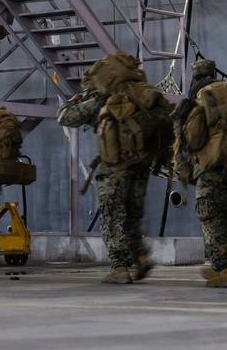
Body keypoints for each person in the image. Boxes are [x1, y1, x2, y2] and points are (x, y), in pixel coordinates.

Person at [56, 58, 154, 285]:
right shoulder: (139, 98)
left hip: (114, 169)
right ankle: (140, 255)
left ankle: (119, 268)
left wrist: (72, 102)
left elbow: (65, 118)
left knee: (112, 217)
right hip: (140, 166)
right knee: (131, 216)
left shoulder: (100, 102)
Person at [173, 59, 227, 289]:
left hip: (211, 170)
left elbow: (191, 140)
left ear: (194, 78)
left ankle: (222, 271)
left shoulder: (196, 101)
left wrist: (185, 170)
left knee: (212, 219)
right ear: (214, 75)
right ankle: (224, 267)